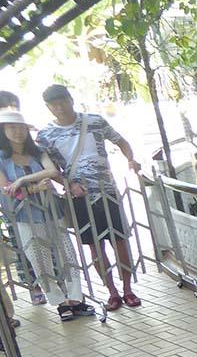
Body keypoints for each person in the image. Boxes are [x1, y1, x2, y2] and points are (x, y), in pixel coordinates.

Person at [36, 84, 141, 312]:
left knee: (120, 240)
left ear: (71, 99)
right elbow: (51, 169)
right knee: (95, 245)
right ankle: (112, 292)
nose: (59, 107)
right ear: (48, 107)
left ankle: (128, 289)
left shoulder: (94, 121)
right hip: (79, 198)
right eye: (54, 104)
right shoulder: (45, 135)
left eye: (62, 101)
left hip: (108, 191)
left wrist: (131, 159)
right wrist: (68, 185)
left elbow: (120, 141)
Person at [0, 109, 91, 320]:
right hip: (25, 216)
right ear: (3, 131)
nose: (17, 132)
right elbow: (6, 189)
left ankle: (76, 299)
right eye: (11, 127)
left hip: (52, 211)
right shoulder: (2, 159)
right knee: (39, 260)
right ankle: (59, 302)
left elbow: (52, 172)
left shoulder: (38, 152)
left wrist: (23, 180)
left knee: (67, 254)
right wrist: (34, 188)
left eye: (20, 127)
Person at [0, 90, 45, 307]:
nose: (11, 111)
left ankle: (53, 282)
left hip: (40, 200)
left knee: (46, 241)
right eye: (6, 107)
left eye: (14, 106)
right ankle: (33, 286)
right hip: (13, 203)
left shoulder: (22, 133)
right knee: (22, 243)